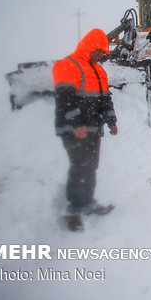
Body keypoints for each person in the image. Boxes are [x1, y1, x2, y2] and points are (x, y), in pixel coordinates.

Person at [53, 28, 118, 231]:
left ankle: (87, 203)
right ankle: (72, 211)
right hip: (74, 129)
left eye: (103, 53)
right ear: (90, 47)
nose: (101, 56)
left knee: (91, 166)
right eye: (99, 52)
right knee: (79, 166)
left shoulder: (98, 70)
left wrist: (111, 121)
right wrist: (76, 124)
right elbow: (64, 99)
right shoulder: (68, 65)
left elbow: (105, 99)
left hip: (92, 128)